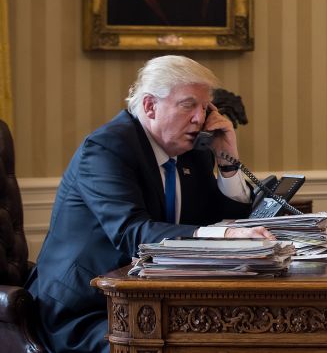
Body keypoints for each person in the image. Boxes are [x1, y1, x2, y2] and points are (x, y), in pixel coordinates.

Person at [26, 55, 274, 353]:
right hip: (87, 309)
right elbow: (132, 232)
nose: (199, 119)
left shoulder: (195, 153)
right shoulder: (107, 148)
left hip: (159, 302)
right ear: (149, 106)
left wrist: (228, 162)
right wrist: (225, 235)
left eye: (205, 108)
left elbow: (222, 221)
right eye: (188, 105)